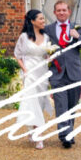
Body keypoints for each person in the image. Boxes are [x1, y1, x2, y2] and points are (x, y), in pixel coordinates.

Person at [44, 0, 81, 148]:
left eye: (64, 10)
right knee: (60, 105)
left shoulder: (78, 28)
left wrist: (78, 37)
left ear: (69, 12)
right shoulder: (48, 29)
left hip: (74, 73)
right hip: (57, 73)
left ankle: (69, 130)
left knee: (71, 106)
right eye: (58, 10)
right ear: (54, 13)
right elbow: (42, 47)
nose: (61, 13)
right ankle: (65, 135)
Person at [13, 9, 55, 150]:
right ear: (32, 21)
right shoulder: (24, 37)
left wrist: (49, 56)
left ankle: (32, 128)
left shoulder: (47, 38)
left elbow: (46, 56)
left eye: (44, 19)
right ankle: (39, 136)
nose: (44, 21)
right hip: (30, 73)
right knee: (32, 102)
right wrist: (25, 70)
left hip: (42, 73)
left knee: (40, 102)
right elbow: (17, 55)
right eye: (41, 19)